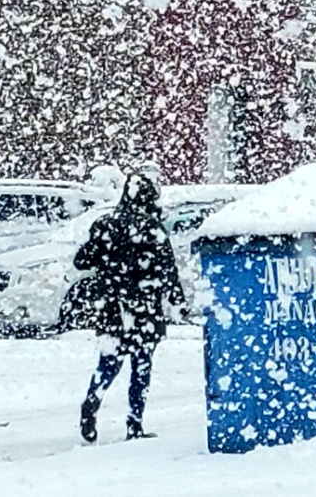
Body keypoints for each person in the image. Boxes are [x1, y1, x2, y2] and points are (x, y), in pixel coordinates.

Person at [73, 173, 187, 442]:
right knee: (142, 366)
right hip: (145, 307)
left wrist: (107, 264)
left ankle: (92, 401)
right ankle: (134, 423)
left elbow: (82, 260)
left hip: (113, 306)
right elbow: (168, 270)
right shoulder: (153, 229)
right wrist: (178, 301)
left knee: (109, 362)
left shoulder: (104, 224)